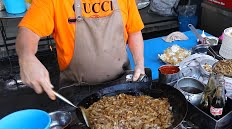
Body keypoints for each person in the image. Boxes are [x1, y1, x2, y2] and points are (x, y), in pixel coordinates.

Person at [16, 0, 145, 100]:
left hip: (122, 83)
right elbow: (28, 31)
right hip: (76, 90)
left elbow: (134, 31)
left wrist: (139, 63)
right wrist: (27, 57)